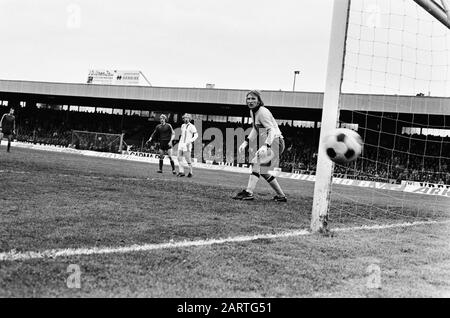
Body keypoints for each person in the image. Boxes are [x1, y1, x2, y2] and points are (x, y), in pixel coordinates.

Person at [233, 90, 287, 202]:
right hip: (271, 142)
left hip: (276, 142)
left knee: (255, 162)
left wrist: (266, 145)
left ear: (259, 101)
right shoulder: (252, 111)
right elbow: (255, 128)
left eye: (253, 98)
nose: (250, 101)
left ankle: (248, 192)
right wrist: (246, 141)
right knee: (262, 171)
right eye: (248, 98)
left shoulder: (263, 112)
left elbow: (271, 130)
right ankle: (281, 196)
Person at [177, 113, 198, 177]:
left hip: (187, 144)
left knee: (187, 158)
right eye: (185, 118)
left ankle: (190, 172)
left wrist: (190, 141)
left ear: (189, 119)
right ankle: (181, 172)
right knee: (179, 157)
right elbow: (182, 135)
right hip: (181, 143)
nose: (186, 119)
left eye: (187, 118)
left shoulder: (192, 126)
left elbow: (196, 135)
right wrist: (180, 142)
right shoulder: (182, 125)